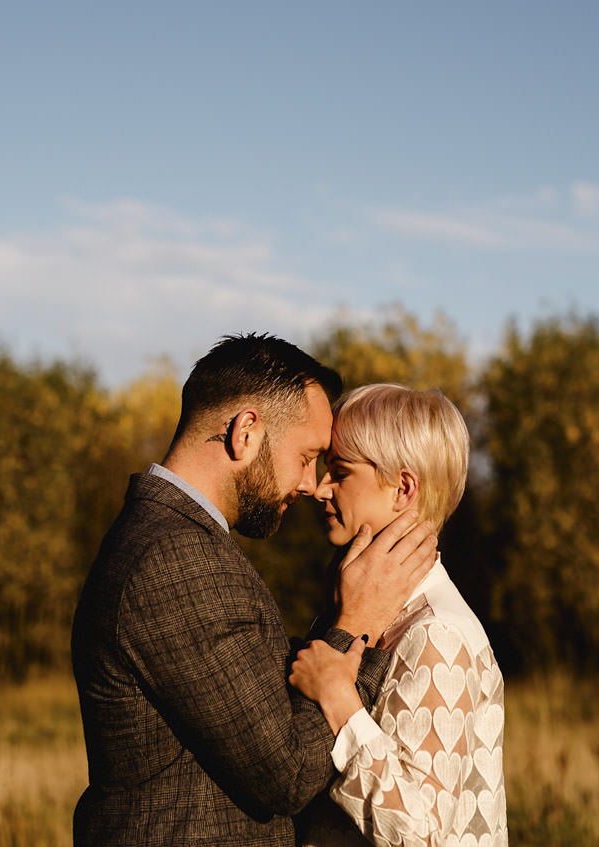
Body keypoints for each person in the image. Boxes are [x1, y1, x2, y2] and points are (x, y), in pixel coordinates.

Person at [72, 335, 439, 847]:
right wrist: (357, 626)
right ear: (246, 432)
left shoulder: (170, 539)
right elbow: (284, 774)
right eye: (307, 455)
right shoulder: (176, 558)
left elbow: (255, 698)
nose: (312, 484)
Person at [291, 383, 507, 847]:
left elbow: (419, 832)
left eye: (340, 471)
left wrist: (339, 701)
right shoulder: (375, 610)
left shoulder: (438, 633)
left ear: (403, 488)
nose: (320, 489)